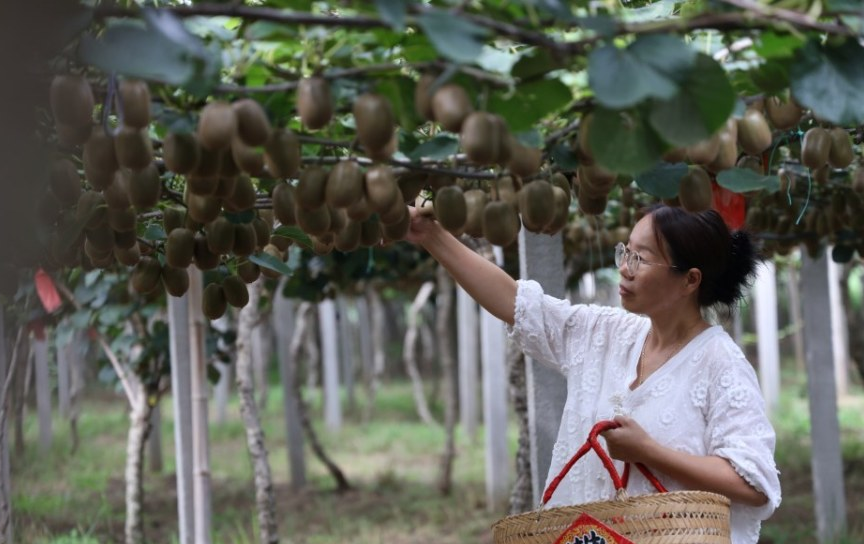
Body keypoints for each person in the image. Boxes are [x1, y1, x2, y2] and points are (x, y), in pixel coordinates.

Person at [406, 202, 781, 544]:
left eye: (640, 258)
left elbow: (753, 483)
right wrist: (432, 236)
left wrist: (649, 452)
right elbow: (516, 303)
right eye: (625, 251)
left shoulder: (720, 362)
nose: (624, 267)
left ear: (690, 280)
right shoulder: (608, 333)